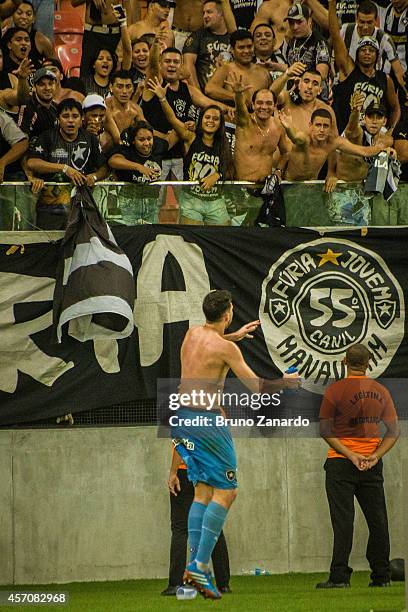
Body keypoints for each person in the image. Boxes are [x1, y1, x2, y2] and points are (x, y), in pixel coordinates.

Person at [169, 289, 298, 599]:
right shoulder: (226, 349)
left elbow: (211, 350)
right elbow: (256, 388)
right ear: (227, 314)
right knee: (227, 491)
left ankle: (190, 572)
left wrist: (235, 337)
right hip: (209, 421)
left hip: (183, 417)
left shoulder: (191, 334)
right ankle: (199, 565)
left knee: (201, 492)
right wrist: (285, 381)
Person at [317, 344, 399, 589]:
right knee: (378, 521)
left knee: (343, 522)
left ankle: (340, 577)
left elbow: (325, 430)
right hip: (371, 465)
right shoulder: (381, 391)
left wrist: (350, 454)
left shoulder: (335, 390)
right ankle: (381, 576)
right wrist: (375, 456)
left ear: (344, 361)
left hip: (340, 464)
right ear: (369, 362)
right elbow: (394, 431)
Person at [148, 76, 234, 225]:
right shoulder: (191, 138)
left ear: (220, 124)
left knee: (222, 239)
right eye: (207, 117)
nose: (210, 121)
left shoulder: (223, 144)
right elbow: (173, 119)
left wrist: (218, 175)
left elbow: (229, 170)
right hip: (191, 200)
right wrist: (163, 99)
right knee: (191, 240)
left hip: (216, 202)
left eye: (215, 119)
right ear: (200, 120)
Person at [26, 98, 109, 229]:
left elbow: (104, 168)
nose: (70, 120)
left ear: (82, 119)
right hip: (49, 207)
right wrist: (64, 168)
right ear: (58, 119)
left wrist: (93, 177)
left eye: (75, 116)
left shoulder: (90, 138)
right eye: (65, 116)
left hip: (81, 206)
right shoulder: (47, 137)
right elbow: (32, 162)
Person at [161, 446, 231, 596]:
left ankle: (175, 583)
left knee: (180, 528)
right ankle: (223, 584)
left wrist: (173, 473)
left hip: (185, 471)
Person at [329, 0, 400, 134]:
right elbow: (335, 37)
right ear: (356, 53)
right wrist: (331, 4)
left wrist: (391, 130)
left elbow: (395, 108)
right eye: (363, 50)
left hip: (376, 132)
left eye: (371, 50)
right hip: (350, 132)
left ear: (377, 55)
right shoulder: (349, 70)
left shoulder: (385, 79)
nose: (367, 53)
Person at [278, 107, 392, 190]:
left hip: (310, 188)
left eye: (325, 126)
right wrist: (288, 127)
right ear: (310, 125)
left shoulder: (333, 142)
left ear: (330, 127)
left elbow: (364, 151)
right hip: (289, 186)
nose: (322, 130)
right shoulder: (305, 140)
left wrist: (381, 148)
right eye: (318, 125)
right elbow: (295, 137)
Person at [331, 94, 395, 225]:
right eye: (370, 116)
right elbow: (351, 130)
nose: (374, 121)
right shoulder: (357, 133)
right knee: (340, 238)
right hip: (343, 192)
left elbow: (389, 142)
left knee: (361, 239)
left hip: (363, 196)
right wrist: (355, 111)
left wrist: (391, 152)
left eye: (379, 117)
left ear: (384, 121)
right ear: (364, 118)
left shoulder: (383, 139)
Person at [108, 119, 177, 223]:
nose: (146, 143)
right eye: (141, 140)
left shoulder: (158, 146)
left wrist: (187, 126)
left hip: (152, 204)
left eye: (149, 139)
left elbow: (173, 137)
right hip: (128, 204)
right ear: (133, 141)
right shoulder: (127, 149)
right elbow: (113, 160)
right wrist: (138, 167)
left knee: (151, 237)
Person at [338, 0, 405, 89]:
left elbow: (398, 71)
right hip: (346, 83)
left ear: (376, 21)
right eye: (362, 22)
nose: (365, 27)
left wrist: (405, 90)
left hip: (373, 86)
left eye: (369, 22)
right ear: (356, 19)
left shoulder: (384, 39)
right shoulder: (345, 30)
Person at [205, 29, 271, 107]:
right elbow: (209, 89)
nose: (246, 51)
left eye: (249, 46)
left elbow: (273, 97)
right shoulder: (226, 69)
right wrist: (235, 96)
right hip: (233, 116)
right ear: (232, 50)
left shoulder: (263, 72)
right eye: (241, 47)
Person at [283, 3, 331, 101]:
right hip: (295, 97)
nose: (295, 27)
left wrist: (301, 80)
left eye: (299, 22)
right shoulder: (293, 40)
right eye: (291, 23)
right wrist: (276, 66)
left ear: (309, 21)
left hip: (315, 99)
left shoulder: (319, 42)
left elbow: (322, 74)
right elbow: (292, 66)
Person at [182, 0, 233, 92]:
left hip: (230, 93)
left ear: (221, 14)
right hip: (205, 95)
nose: (205, 16)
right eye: (203, 13)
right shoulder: (197, 36)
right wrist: (198, 93)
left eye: (209, 12)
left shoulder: (233, 38)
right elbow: (188, 65)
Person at [9, 0, 55, 67]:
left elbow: (56, 65)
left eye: (28, 14)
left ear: (34, 18)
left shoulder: (42, 41)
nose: (24, 17)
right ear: (12, 15)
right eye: (19, 13)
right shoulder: (5, 37)